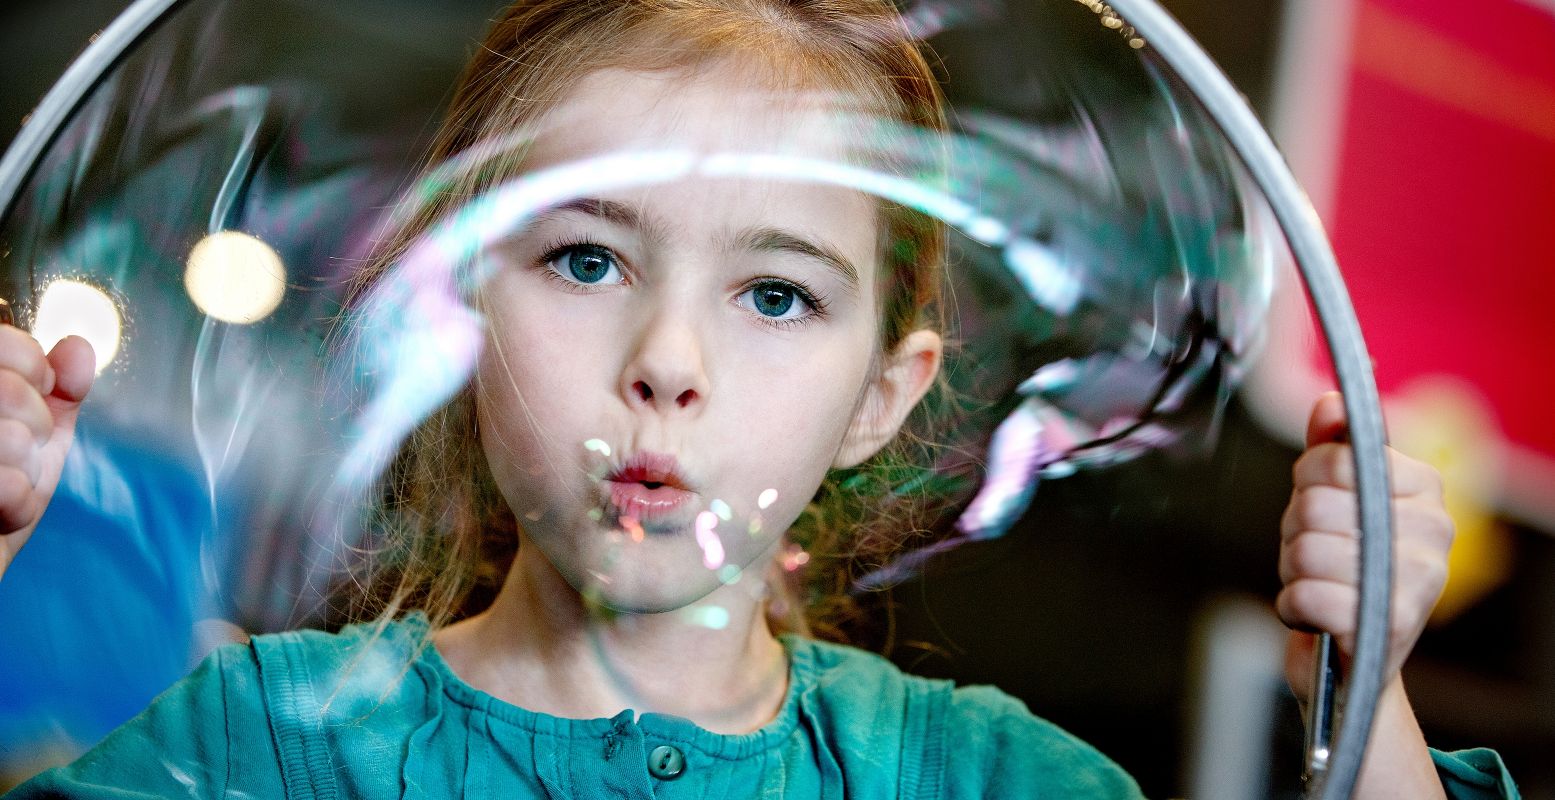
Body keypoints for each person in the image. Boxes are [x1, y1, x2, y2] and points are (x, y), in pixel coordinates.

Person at [0, 0, 1518, 797]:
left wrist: (1369, 692)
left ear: (884, 393)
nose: (671, 359)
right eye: (586, 259)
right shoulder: (264, 749)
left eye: (778, 293)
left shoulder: (994, 784)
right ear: (451, 306)